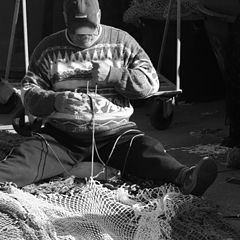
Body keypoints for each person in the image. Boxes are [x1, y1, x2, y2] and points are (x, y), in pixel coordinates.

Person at [1, 0, 217, 196]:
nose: (84, 38)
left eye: (89, 31)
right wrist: (54, 100)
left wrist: (115, 76)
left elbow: (151, 84)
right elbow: (28, 92)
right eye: (77, 32)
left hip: (115, 135)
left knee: (147, 150)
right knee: (23, 160)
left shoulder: (122, 42)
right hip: (61, 137)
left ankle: (186, 177)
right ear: (65, 19)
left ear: (100, 17)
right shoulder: (48, 48)